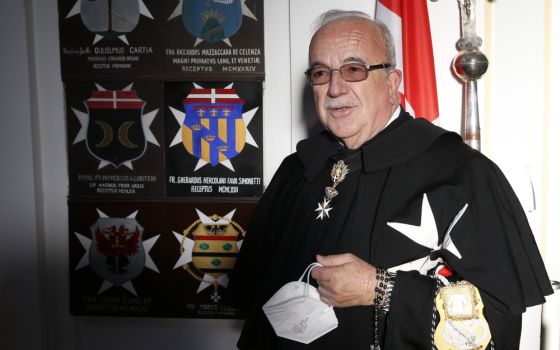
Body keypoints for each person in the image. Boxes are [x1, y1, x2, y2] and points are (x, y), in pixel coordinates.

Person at [226, 9, 552, 350]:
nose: (334, 89)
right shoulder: (295, 170)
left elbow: (498, 320)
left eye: (354, 69)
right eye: (321, 73)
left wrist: (379, 288)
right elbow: (257, 302)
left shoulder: (461, 172)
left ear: (392, 82)